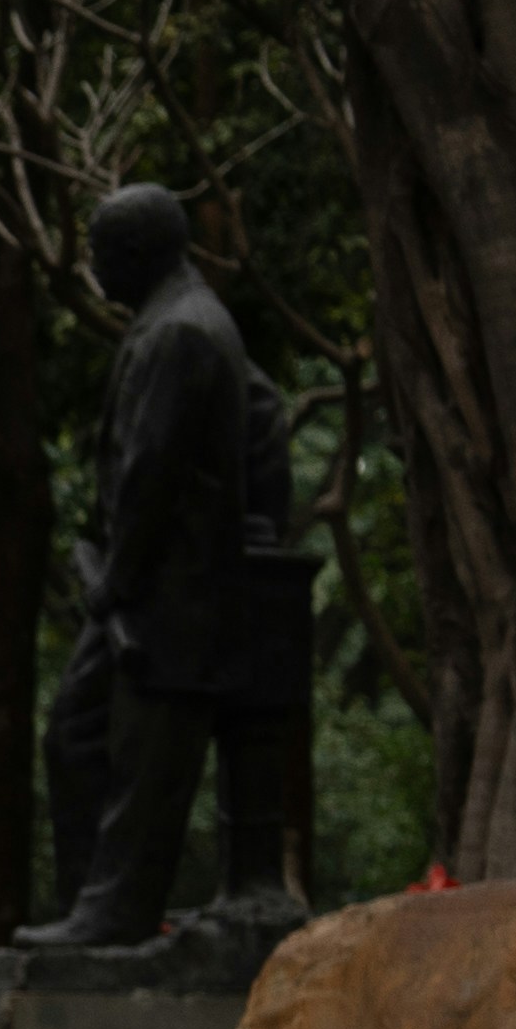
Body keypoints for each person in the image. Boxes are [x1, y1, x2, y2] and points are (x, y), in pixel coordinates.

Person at [22, 184, 321, 948]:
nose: (92, 268)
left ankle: (116, 911)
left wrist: (119, 580)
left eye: (99, 253)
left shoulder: (183, 330)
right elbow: (261, 413)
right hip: (152, 583)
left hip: (166, 590)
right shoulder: (177, 319)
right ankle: (92, 906)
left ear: (136, 252)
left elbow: (150, 472)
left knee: (145, 757)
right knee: (75, 734)